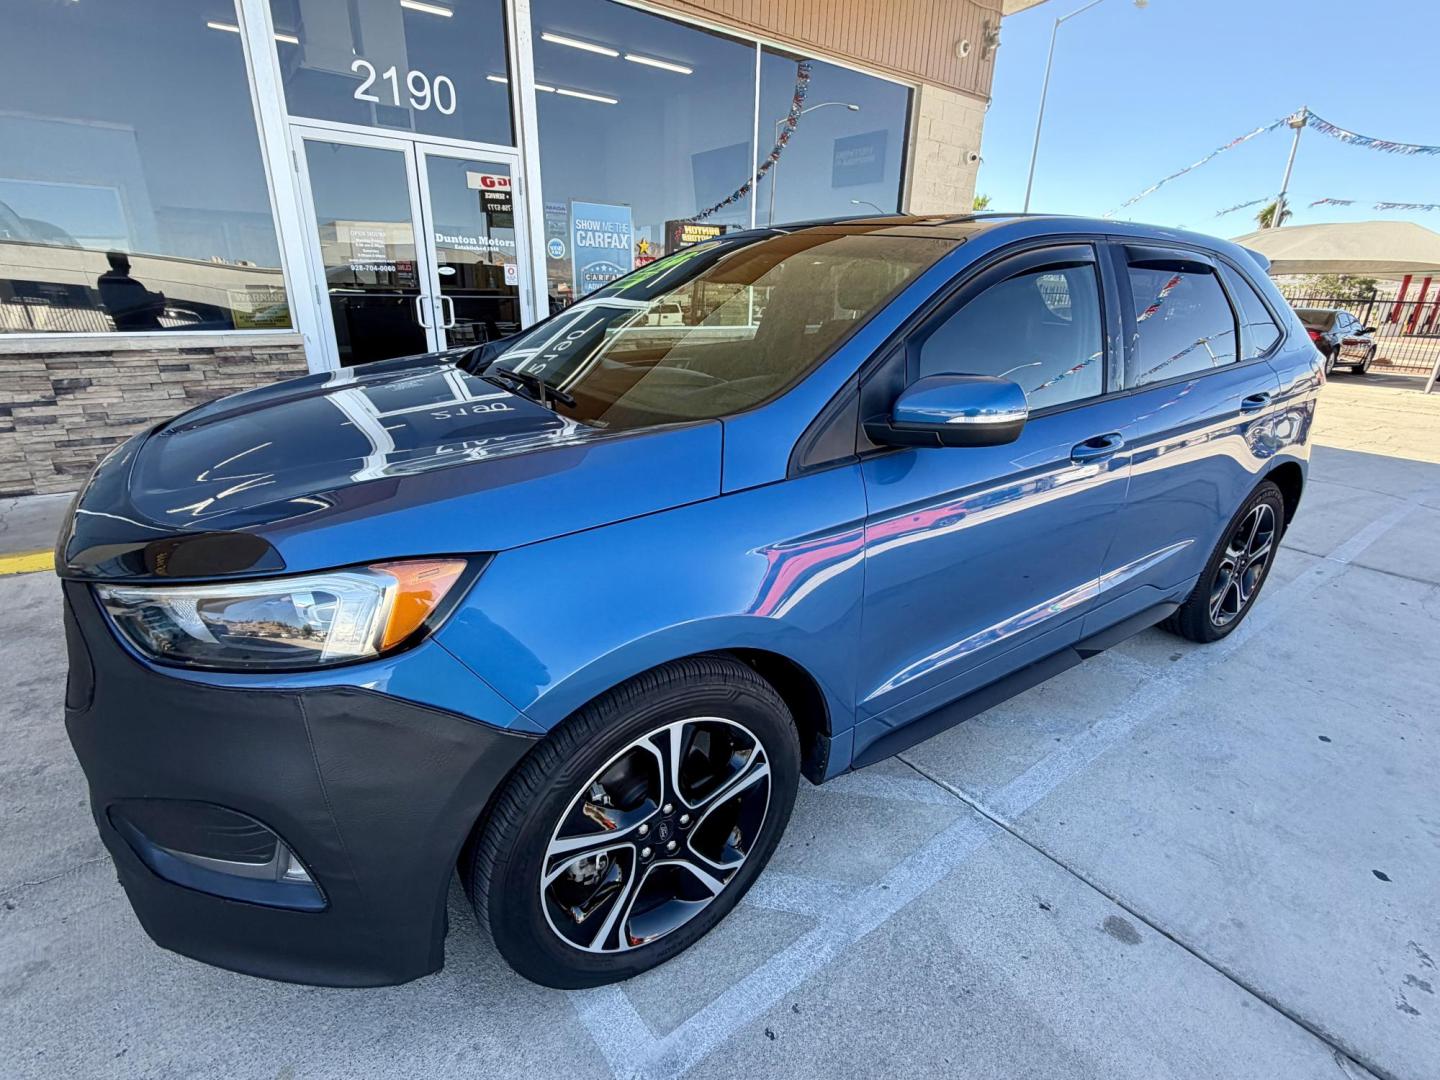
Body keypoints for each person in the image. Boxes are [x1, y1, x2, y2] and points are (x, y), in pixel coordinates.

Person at [97, 251, 165, 331]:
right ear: (122, 265)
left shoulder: (104, 282)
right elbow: (149, 308)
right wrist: (157, 299)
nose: (129, 267)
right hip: (145, 328)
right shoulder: (131, 285)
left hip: (130, 329)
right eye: (126, 263)